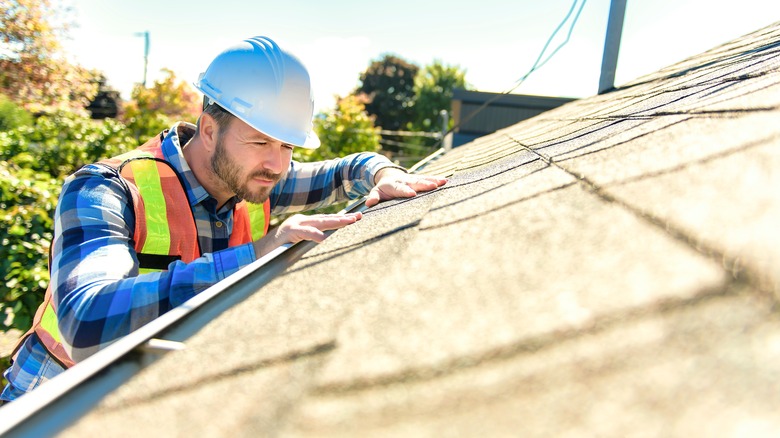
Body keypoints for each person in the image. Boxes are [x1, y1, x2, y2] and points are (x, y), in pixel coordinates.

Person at [0, 36, 446, 403]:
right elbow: (85, 322)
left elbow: (347, 169)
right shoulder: (105, 189)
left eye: (288, 146)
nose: (277, 164)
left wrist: (384, 173)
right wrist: (257, 256)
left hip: (141, 399)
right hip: (50, 400)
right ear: (209, 129)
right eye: (261, 142)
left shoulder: (257, 180)